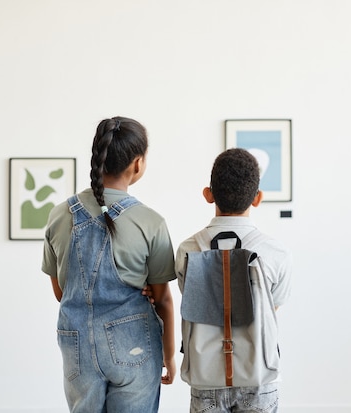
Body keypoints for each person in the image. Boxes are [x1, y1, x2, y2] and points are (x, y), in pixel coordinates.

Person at [42, 116, 176, 413]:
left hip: (77, 347)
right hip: (134, 346)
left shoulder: (59, 215)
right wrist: (169, 357)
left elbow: (62, 292)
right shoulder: (150, 222)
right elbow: (163, 300)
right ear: (137, 164)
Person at [175, 148, 292, 413]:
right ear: (258, 198)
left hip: (206, 378)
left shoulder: (187, 250)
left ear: (208, 194)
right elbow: (272, 308)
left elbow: (192, 301)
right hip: (259, 375)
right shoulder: (276, 252)